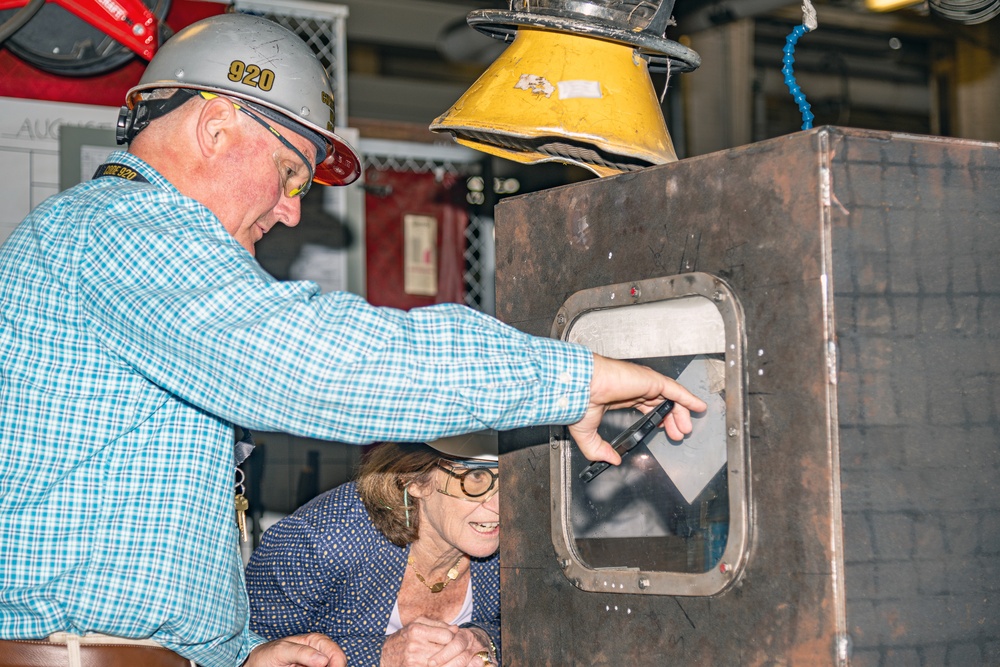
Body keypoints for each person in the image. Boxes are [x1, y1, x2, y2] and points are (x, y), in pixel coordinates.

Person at [0, 11, 706, 667]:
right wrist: (571, 378)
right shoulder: (126, 231)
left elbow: (143, 541)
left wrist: (238, 653)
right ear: (216, 127)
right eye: (287, 173)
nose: (287, 210)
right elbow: (313, 365)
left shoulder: (118, 249)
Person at [247, 434, 501, 667]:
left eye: (509, 476)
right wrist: (380, 655)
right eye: (476, 477)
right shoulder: (323, 539)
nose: (499, 505)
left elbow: (536, 621)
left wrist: (485, 640)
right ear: (414, 479)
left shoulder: (518, 536)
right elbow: (241, 651)